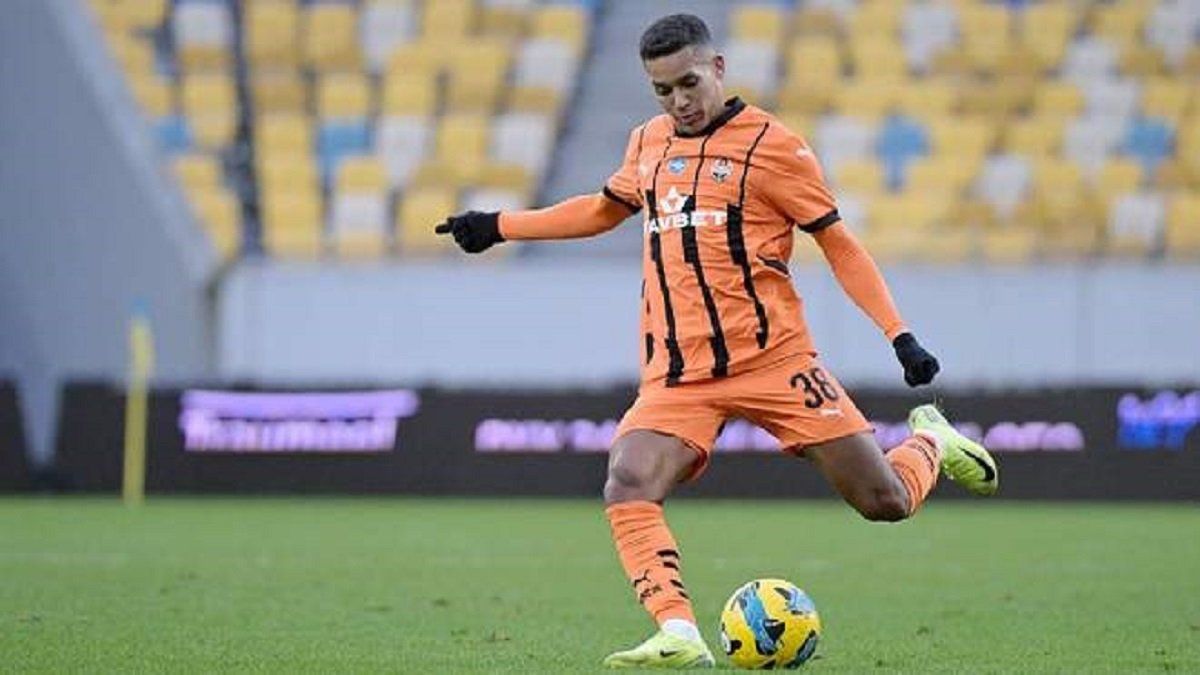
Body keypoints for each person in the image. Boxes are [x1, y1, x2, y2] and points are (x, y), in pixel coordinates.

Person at [436, 13, 999, 670]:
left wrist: (898, 335)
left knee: (885, 502)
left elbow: (840, 245)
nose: (678, 101)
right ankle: (678, 631)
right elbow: (603, 209)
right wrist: (500, 225)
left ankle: (931, 440)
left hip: (775, 360)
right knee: (628, 478)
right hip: (678, 375)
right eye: (663, 90)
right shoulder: (647, 142)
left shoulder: (775, 147)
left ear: (719, 69)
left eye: (689, 83)